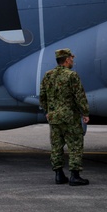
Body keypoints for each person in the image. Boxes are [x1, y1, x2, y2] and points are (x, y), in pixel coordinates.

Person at [39, 48, 91, 186]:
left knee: (56, 146)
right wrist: (85, 112)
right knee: (75, 145)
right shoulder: (71, 75)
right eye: (71, 58)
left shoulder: (48, 75)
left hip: (54, 117)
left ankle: (59, 175)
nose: (73, 60)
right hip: (70, 117)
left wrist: (48, 110)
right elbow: (79, 96)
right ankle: (74, 176)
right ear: (67, 59)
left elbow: (42, 96)